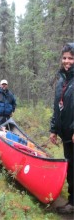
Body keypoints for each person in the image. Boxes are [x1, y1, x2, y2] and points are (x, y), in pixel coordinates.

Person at [50, 43, 74, 215]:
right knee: (71, 167)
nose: (67, 61)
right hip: (66, 135)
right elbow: (57, 107)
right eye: (65, 57)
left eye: (71, 58)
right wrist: (54, 129)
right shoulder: (61, 81)